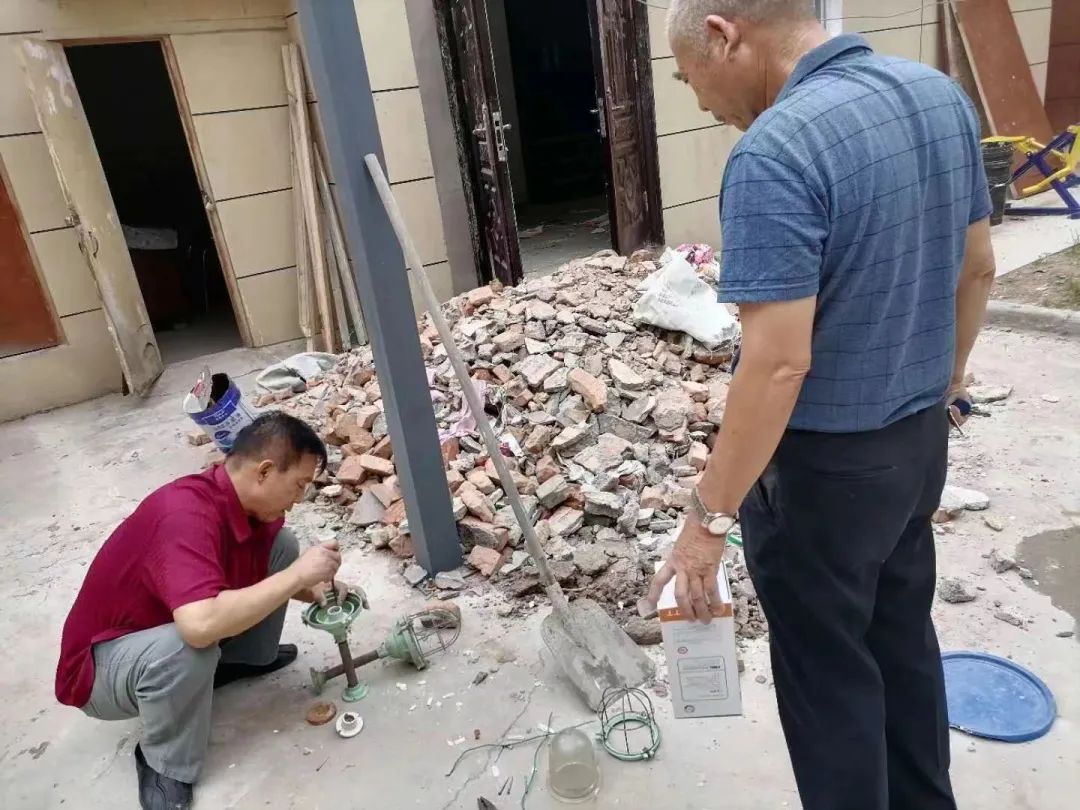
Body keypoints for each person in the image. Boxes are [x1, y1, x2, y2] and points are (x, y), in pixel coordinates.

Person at [647, 2, 996, 809]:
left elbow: (777, 365)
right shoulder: (938, 95)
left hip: (824, 477)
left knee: (828, 678)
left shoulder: (777, 149)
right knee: (901, 643)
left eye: (689, 76)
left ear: (724, 36)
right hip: (917, 447)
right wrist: (947, 383)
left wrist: (707, 522)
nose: (699, 101)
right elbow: (977, 267)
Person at [55, 412, 357, 810]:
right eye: (298, 485)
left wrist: (312, 589)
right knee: (188, 646)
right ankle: (163, 763)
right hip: (101, 670)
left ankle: (242, 660)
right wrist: (297, 575)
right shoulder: (183, 513)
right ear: (265, 471)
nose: (299, 499)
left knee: (280, 545)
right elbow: (198, 627)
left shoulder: (243, 507)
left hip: (160, 631)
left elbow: (261, 570)